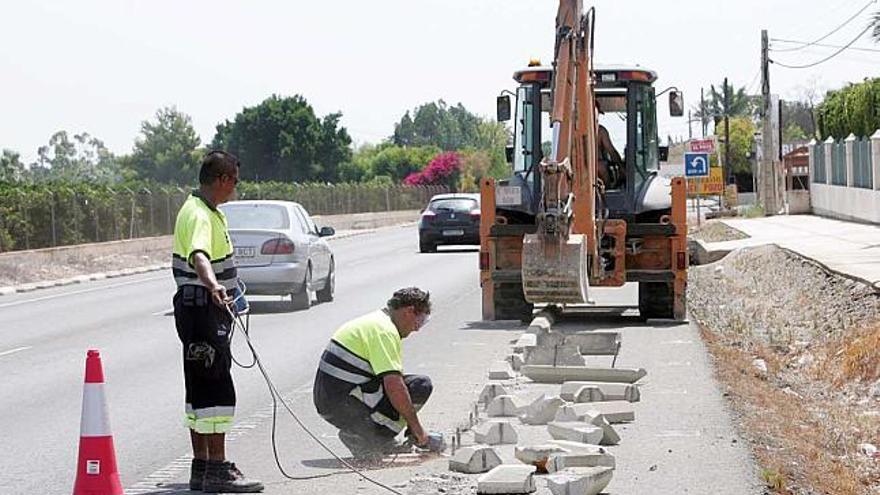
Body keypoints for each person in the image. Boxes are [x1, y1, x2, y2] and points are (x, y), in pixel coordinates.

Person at [171, 150, 263, 493]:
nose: (236, 188)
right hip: (203, 308)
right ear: (222, 179)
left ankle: (202, 467)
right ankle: (218, 469)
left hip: (198, 309)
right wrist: (213, 287)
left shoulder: (205, 211)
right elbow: (199, 255)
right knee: (216, 387)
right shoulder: (199, 215)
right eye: (235, 181)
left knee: (200, 386)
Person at [313, 287, 434, 460]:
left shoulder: (377, 322)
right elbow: (394, 387)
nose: (417, 329)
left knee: (413, 385)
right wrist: (418, 430)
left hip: (335, 398)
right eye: (419, 321)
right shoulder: (384, 331)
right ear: (408, 312)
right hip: (341, 404)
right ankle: (361, 437)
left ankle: (379, 439)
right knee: (420, 387)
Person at [596, 100, 623, 188]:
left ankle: (607, 191)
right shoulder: (573, 132)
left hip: (599, 167)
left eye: (597, 116)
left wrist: (621, 167)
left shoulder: (601, 132)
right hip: (581, 170)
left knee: (601, 166)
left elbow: (611, 151)